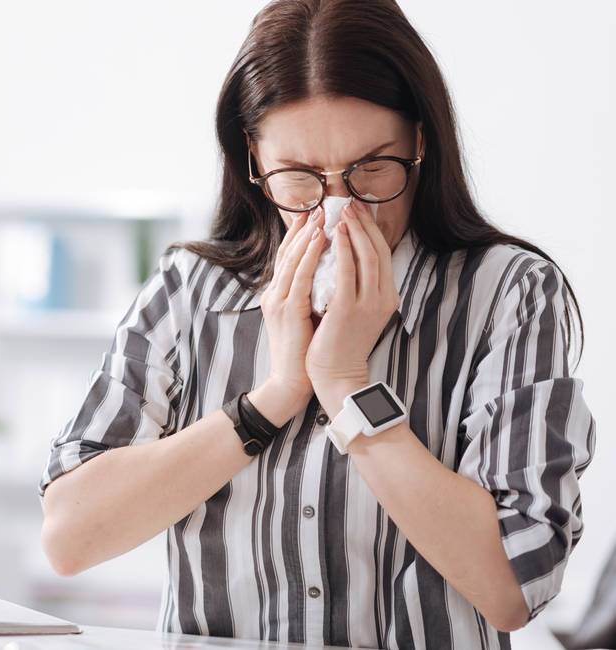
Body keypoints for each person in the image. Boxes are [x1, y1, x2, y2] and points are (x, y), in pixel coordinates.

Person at [37, 1, 597, 648]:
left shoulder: (508, 293)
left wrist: (345, 386)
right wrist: (270, 400)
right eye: (299, 178)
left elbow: (511, 584)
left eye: (370, 169)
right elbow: (69, 537)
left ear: (419, 141)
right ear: (253, 159)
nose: (337, 209)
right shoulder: (189, 292)